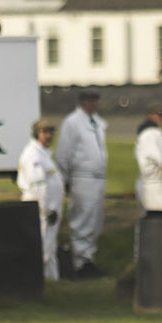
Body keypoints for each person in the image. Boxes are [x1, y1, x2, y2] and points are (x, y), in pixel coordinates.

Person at [54, 89, 108, 277]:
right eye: (90, 100)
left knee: (94, 220)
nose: (93, 104)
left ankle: (88, 259)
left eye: (95, 100)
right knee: (83, 219)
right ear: (81, 102)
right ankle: (80, 261)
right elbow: (63, 153)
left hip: (98, 176)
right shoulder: (72, 122)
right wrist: (65, 179)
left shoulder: (97, 123)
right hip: (82, 176)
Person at [17, 118, 64, 280]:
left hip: (49, 210)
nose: (49, 136)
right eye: (45, 132)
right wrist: (45, 210)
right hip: (42, 210)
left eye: (51, 132)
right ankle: (38, 282)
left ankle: (52, 281)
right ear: (37, 134)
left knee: (50, 248)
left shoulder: (43, 154)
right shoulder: (33, 155)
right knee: (43, 247)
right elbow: (37, 186)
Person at [134, 102, 162, 214]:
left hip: (157, 186)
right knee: (160, 221)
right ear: (151, 115)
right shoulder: (151, 133)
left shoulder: (154, 133)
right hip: (157, 187)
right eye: (160, 115)